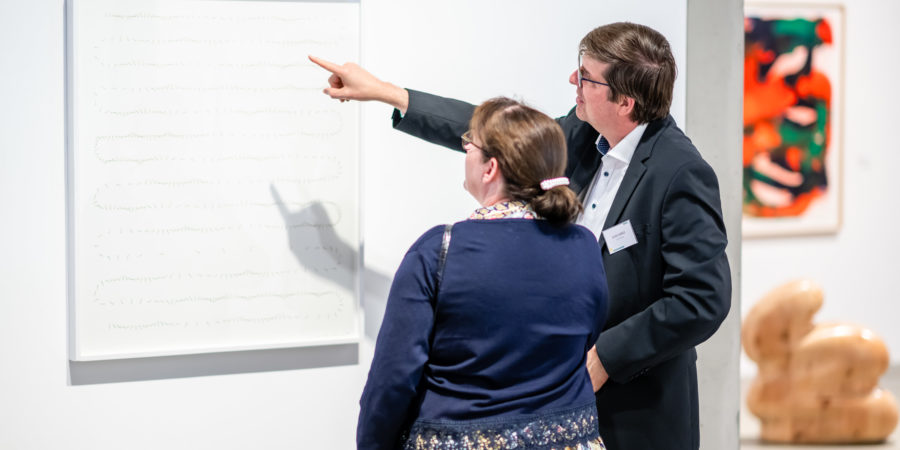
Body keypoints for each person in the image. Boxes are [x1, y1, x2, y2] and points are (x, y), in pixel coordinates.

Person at [313, 21, 731, 450]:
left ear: (625, 101)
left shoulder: (681, 173)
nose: (573, 80)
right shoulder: (585, 134)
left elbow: (702, 298)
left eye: (586, 77)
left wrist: (607, 357)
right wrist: (388, 93)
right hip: (559, 410)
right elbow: (501, 136)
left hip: (636, 408)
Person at [356, 97, 609, 450]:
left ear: (490, 168)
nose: (465, 152)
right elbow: (585, 338)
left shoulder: (439, 251)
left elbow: (393, 379)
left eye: (468, 144)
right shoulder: (583, 246)